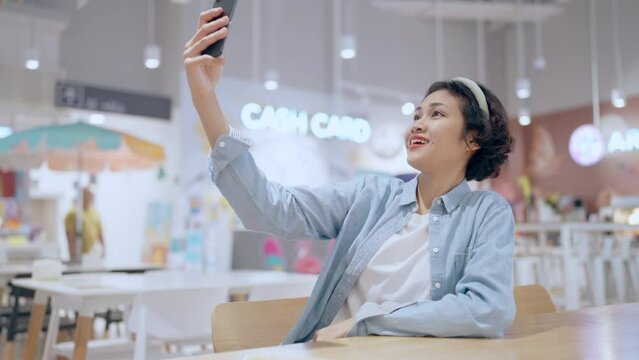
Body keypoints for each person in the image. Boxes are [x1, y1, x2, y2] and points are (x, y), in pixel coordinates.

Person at [183, 7, 515, 344]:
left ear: (474, 138)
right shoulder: (371, 197)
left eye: (436, 114)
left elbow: (488, 309)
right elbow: (269, 209)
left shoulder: (486, 213)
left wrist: (368, 321)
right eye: (417, 114)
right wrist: (205, 99)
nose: (418, 122)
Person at [64, 187, 105, 259]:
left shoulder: (94, 213)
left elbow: (100, 232)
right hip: (79, 256)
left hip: (94, 255)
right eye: (86, 195)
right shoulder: (73, 213)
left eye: (89, 195)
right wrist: (74, 255)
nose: (88, 198)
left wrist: (103, 249)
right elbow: (71, 236)